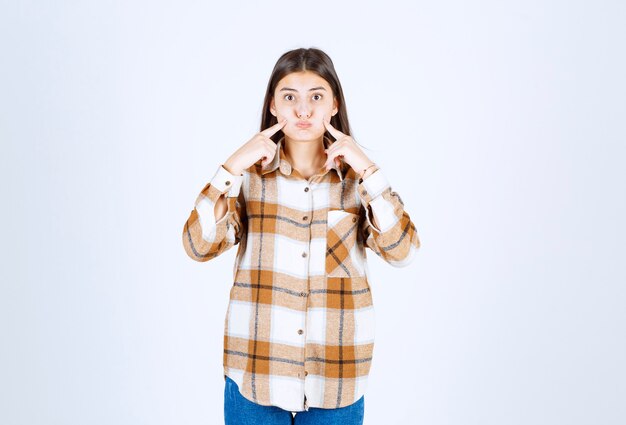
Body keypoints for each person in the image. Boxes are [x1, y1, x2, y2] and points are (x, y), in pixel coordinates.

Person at [182, 47, 421, 425]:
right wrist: (229, 167)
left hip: (337, 376)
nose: (303, 111)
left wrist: (369, 170)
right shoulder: (247, 180)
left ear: (334, 106)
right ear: (273, 106)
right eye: (290, 97)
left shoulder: (359, 184)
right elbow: (197, 245)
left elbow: (403, 251)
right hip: (256, 374)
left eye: (316, 97)